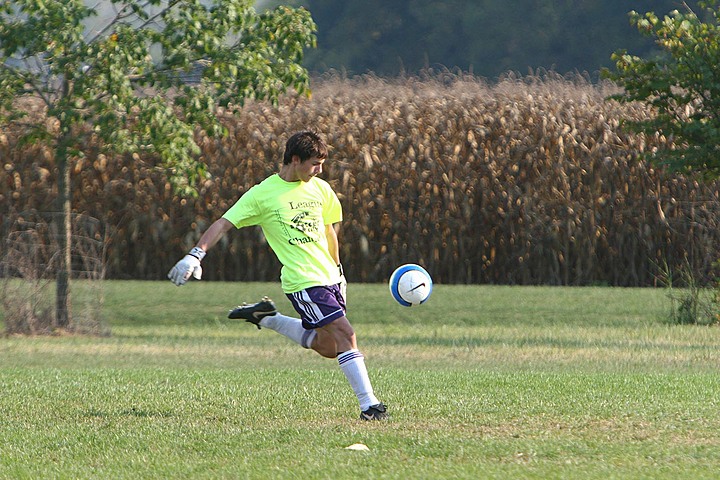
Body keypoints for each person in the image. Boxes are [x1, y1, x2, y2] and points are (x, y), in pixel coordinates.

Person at [168, 130, 387, 421]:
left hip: (330, 278)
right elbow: (223, 223)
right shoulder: (263, 194)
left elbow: (329, 232)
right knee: (347, 334)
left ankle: (267, 317)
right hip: (303, 281)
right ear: (294, 160)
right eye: (314, 163)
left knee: (331, 347)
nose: (319, 170)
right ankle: (370, 406)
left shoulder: (320, 190)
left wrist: (339, 272)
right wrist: (196, 253)